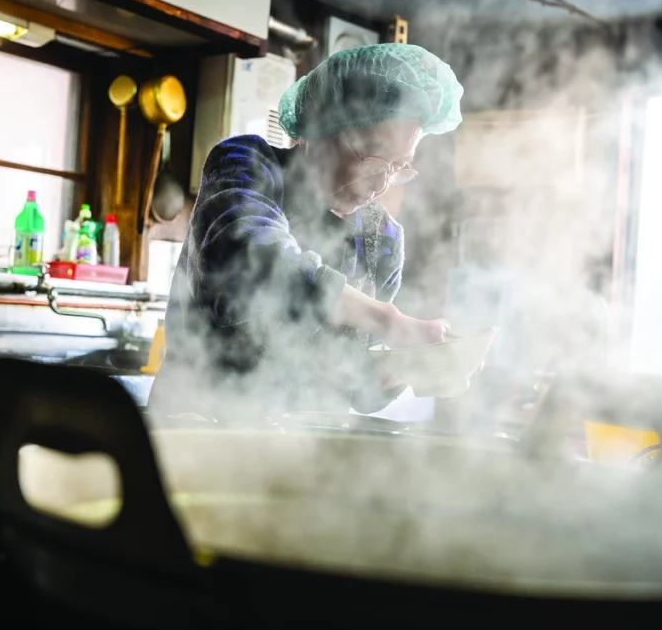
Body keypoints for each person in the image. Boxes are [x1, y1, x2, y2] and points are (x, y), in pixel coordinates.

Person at [147, 43, 467, 421]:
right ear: (319, 128)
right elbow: (250, 257)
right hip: (197, 431)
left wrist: (412, 367)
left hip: (301, 452)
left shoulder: (383, 239)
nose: (382, 183)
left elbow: (354, 381)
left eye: (399, 167)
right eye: (372, 157)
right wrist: (390, 321)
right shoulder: (248, 166)